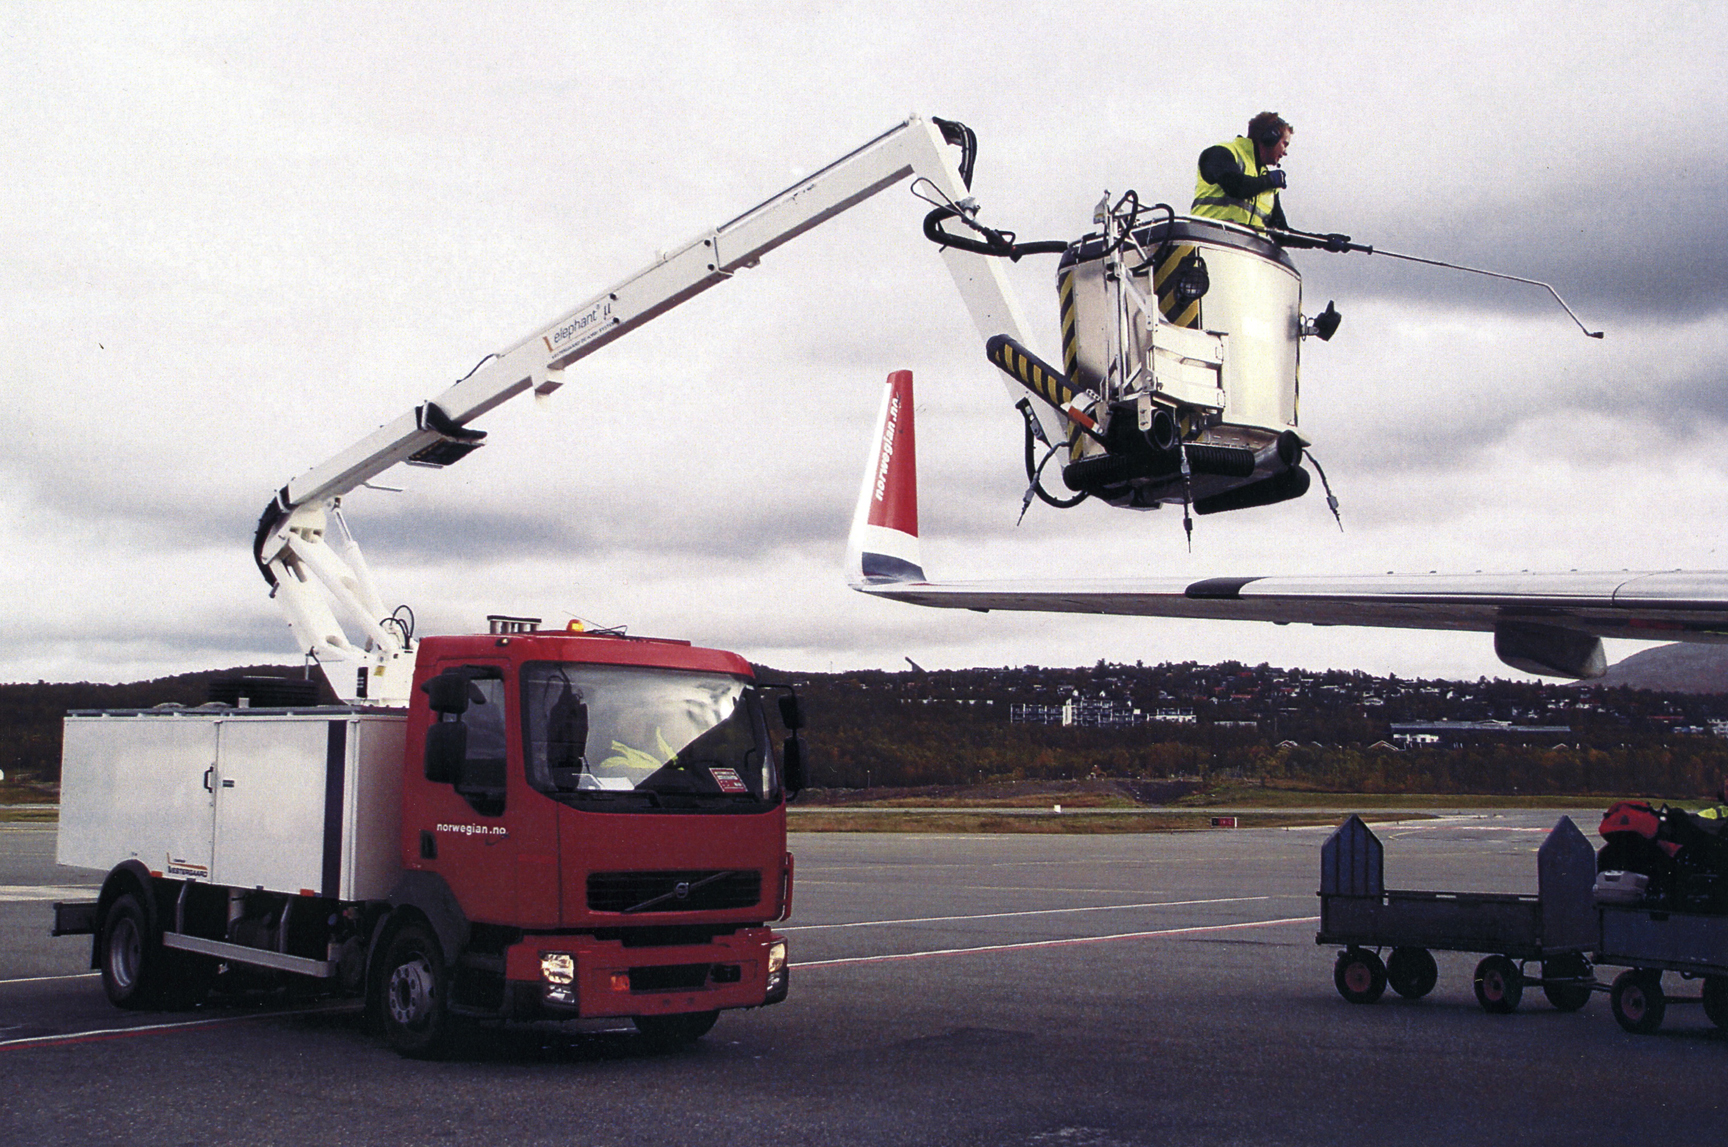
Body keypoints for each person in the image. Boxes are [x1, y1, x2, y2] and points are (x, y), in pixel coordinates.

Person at [1192, 112, 1344, 250]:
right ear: (1270, 138)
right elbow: (1236, 187)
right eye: (1285, 144)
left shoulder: (1268, 183)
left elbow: (1281, 234)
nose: (1285, 152)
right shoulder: (1221, 153)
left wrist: (1323, 242)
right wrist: (1269, 180)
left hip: (1244, 259)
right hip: (1207, 248)